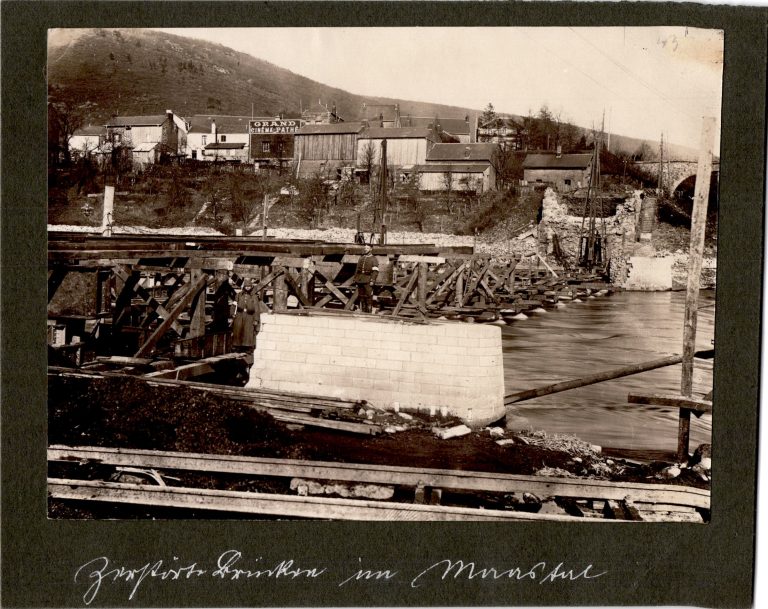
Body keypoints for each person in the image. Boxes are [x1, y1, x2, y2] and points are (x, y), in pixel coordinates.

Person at [232, 278, 260, 351]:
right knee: (238, 330)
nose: (247, 288)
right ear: (244, 286)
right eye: (246, 286)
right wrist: (232, 313)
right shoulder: (238, 295)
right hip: (239, 315)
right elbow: (234, 304)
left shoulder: (254, 296)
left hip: (249, 316)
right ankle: (237, 346)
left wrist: (256, 319)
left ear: (251, 287)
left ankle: (247, 347)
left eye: (249, 286)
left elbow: (256, 309)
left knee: (248, 332)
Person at [354, 244, 379, 313]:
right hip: (360, 280)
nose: (365, 249)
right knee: (361, 296)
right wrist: (355, 279)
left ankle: (369, 312)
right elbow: (357, 269)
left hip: (368, 280)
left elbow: (375, 271)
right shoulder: (361, 258)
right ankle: (363, 311)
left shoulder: (374, 259)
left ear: (371, 249)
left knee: (368, 296)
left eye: (367, 248)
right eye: (365, 248)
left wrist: (372, 280)